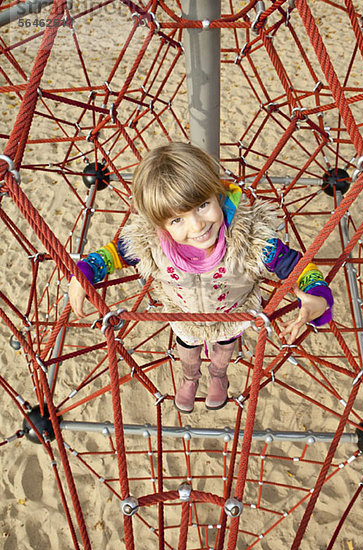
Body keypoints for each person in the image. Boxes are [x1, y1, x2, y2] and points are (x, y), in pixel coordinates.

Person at [69, 142, 333, 413]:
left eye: (202, 205)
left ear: (217, 193)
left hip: (231, 314)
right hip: (183, 315)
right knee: (187, 347)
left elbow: (296, 265)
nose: (197, 226)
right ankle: (190, 377)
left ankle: (218, 375)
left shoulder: (250, 238)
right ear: (159, 225)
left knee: (224, 348)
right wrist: (84, 273)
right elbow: (111, 255)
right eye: (176, 220)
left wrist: (317, 296)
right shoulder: (152, 242)